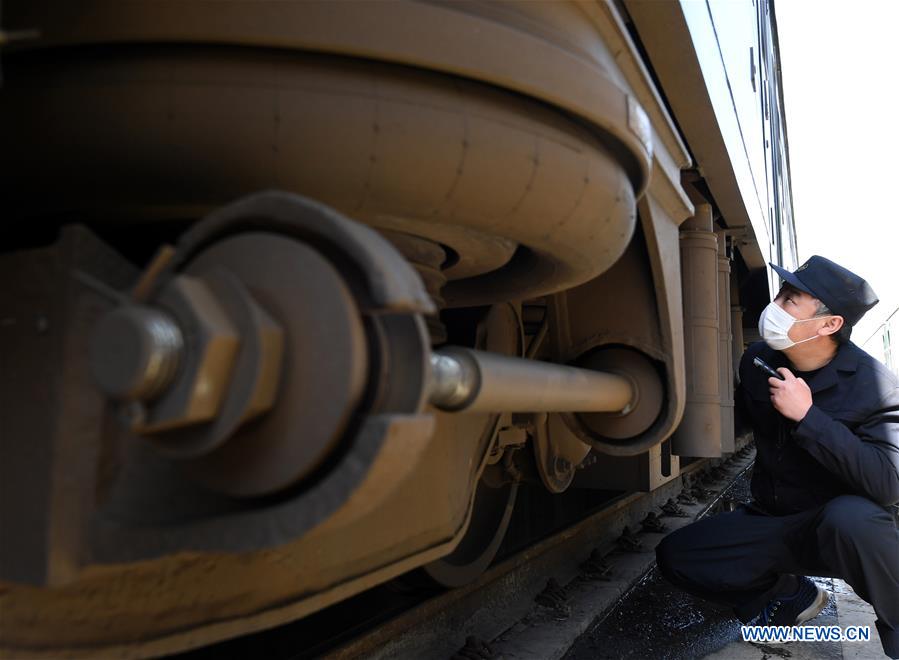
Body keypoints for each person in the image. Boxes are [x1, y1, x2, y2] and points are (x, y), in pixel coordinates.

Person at [655, 255, 899, 658]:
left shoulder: (878, 388)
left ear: (828, 324)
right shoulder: (757, 360)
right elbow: (733, 423)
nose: (775, 306)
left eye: (790, 299)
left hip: (836, 534)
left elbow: (887, 483)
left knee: (855, 518)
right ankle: (791, 595)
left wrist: (808, 417)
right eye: (781, 293)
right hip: (771, 521)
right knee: (677, 556)